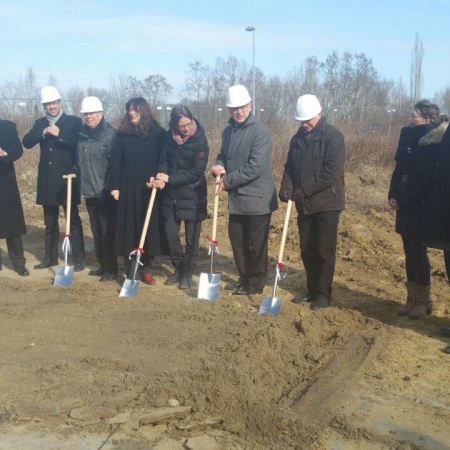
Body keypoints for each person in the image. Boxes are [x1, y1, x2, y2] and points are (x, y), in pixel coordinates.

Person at [279, 94, 345, 310]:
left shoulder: (333, 136)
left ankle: (324, 294)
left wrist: (303, 190)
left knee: (324, 250)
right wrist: (287, 187)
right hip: (304, 204)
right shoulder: (297, 138)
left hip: (327, 204)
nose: (305, 124)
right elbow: (290, 166)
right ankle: (312, 290)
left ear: (319, 113)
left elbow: (331, 172)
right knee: (307, 250)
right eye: (301, 121)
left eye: (308, 120)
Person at [211, 85, 278, 295]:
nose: (238, 111)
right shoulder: (228, 131)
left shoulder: (260, 131)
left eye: (242, 107)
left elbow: (255, 166)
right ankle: (244, 277)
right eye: (234, 108)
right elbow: (224, 154)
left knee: (256, 244)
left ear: (250, 105)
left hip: (258, 198)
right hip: (238, 197)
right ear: (229, 109)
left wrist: (228, 181)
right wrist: (219, 164)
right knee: (237, 239)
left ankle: (256, 284)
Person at [388, 100, 444, 318]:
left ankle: (423, 301)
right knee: (408, 250)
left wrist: (405, 200)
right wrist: (392, 195)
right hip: (403, 202)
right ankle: (411, 298)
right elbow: (398, 169)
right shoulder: (407, 137)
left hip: (421, 205)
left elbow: (427, 180)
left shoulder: (435, 142)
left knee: (418, 251)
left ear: (427, 119)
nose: (410, 119)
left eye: (414, 116)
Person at [22, 86, 85, 271]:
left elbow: (79, 144)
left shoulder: (73, 122)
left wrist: (59, 135)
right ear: (44, 106)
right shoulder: (40, 123)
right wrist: (43, 132)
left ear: (60, 103)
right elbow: (27, 142)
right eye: (48, 104)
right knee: (50, 222)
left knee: (72, 220)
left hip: (67, 179)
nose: (52, 107)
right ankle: (50, 258)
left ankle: (79, 258)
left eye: (55, 103)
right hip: (47, 179)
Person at [108, 97, 166, 284]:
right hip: (126, 186)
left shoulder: (158, 133)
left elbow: (164, 159)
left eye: (135, 110)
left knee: (146, 227)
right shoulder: (123, 134)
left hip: (148, 188)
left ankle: (146, 267)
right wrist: (114, 185)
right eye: (129, 110)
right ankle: (130, 265)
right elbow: (115, 160)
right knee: (128, 227)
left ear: (144, 111)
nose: (131, 113)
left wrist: (159, 177)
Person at [151, 105, 209, 290]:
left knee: (192, 240)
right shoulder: (169, 138)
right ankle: (177, 267)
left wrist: (170, 179)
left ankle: (187, 272)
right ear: (174, 125)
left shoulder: (200, 140)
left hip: (193, 196)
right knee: (170, 236)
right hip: (171, 196)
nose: (185, 128)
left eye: (188, 123)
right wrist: (161, 176)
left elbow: (197, 171)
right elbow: (164, 160)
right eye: (181, 125)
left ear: (192, 120)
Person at [76, 96, 118, 282]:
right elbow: (79, 161)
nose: (88, 117)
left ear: (100, 113)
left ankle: (112, 268)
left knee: (106, 230)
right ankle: (102, 264)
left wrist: (111, 187)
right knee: (95, 230)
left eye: (91, 113)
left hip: (105, 191)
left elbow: (114, 165)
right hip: (89, 190)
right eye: (86, 114)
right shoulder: (82, 135)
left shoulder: (110, 135)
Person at [0, 119, 30, 276]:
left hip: (4, 181)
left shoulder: (7, 126)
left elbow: (18, 149)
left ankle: (19, 263)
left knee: (11, 223)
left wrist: (4, 153)